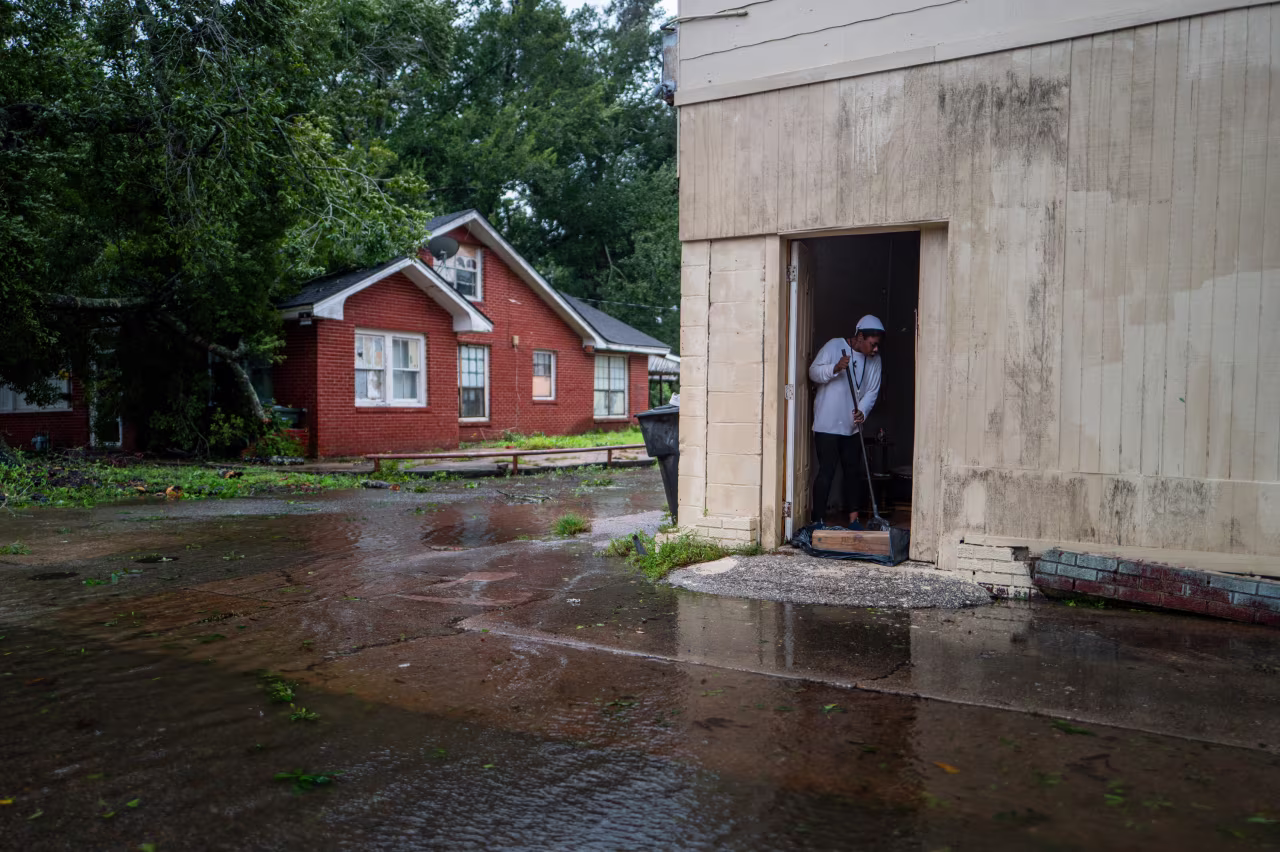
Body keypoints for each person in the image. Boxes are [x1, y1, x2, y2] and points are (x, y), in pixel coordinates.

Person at [808, 315, 884, 527]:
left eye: (878, 345)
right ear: (860, 336)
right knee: (826, 472)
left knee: (853, 473)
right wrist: (834, 368)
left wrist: (863, 411)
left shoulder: (875, 361)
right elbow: (813, 372)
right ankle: (818, 520)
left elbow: (871, 391)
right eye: (873, 344)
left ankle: (854, 521)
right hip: (827, 424)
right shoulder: (834, 346)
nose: (876, 349)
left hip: (851, 427)